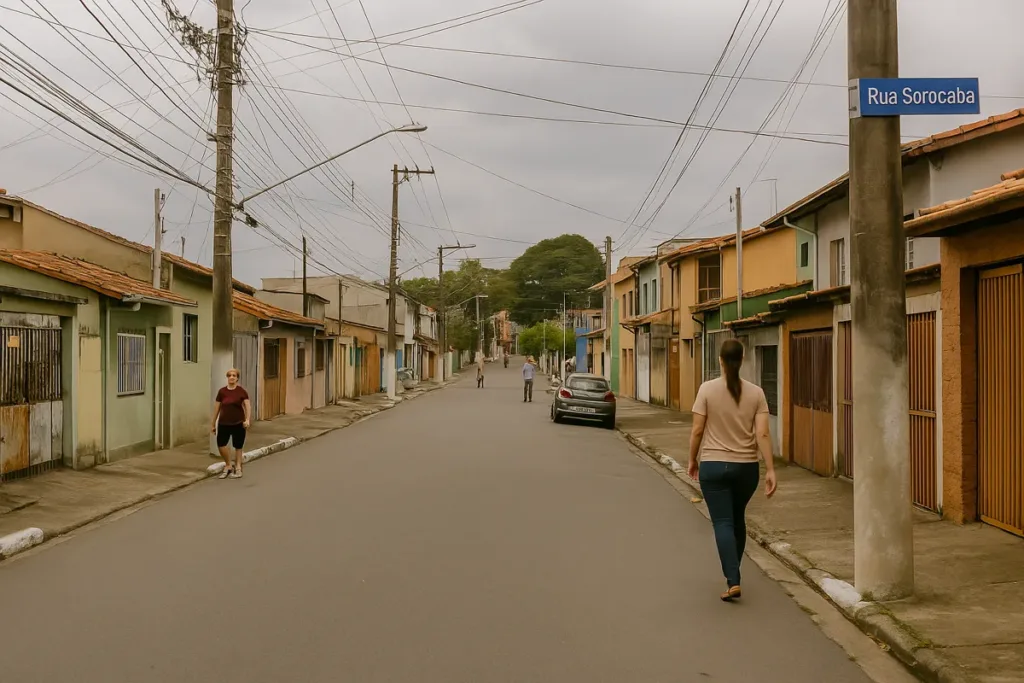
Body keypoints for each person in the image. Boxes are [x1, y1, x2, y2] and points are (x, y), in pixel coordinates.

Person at [687, 339, 777, 601]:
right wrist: (771, 469)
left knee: (723, 522)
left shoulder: (706, 389)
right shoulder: (757, 393)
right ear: (743, 359)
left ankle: (733, 579)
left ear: (720, 361)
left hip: (714, 466)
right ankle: (733, 574)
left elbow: (697, 430)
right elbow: (762, 432)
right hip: (747, 468)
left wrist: (692, 459)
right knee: (737, 519)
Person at [211, 368, 251, 479]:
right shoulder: (222, 392)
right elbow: (216, 408)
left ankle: (238, 467)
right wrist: (213, 423)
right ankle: (228, 465)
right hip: (224, 422)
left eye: (234, 375)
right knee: (221, 444)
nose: (231, 377)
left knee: (238, 446)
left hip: (238, 422)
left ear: (237, 378)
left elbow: (247, 406)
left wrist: (247, 419)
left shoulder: (241, 391)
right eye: (229, 375)